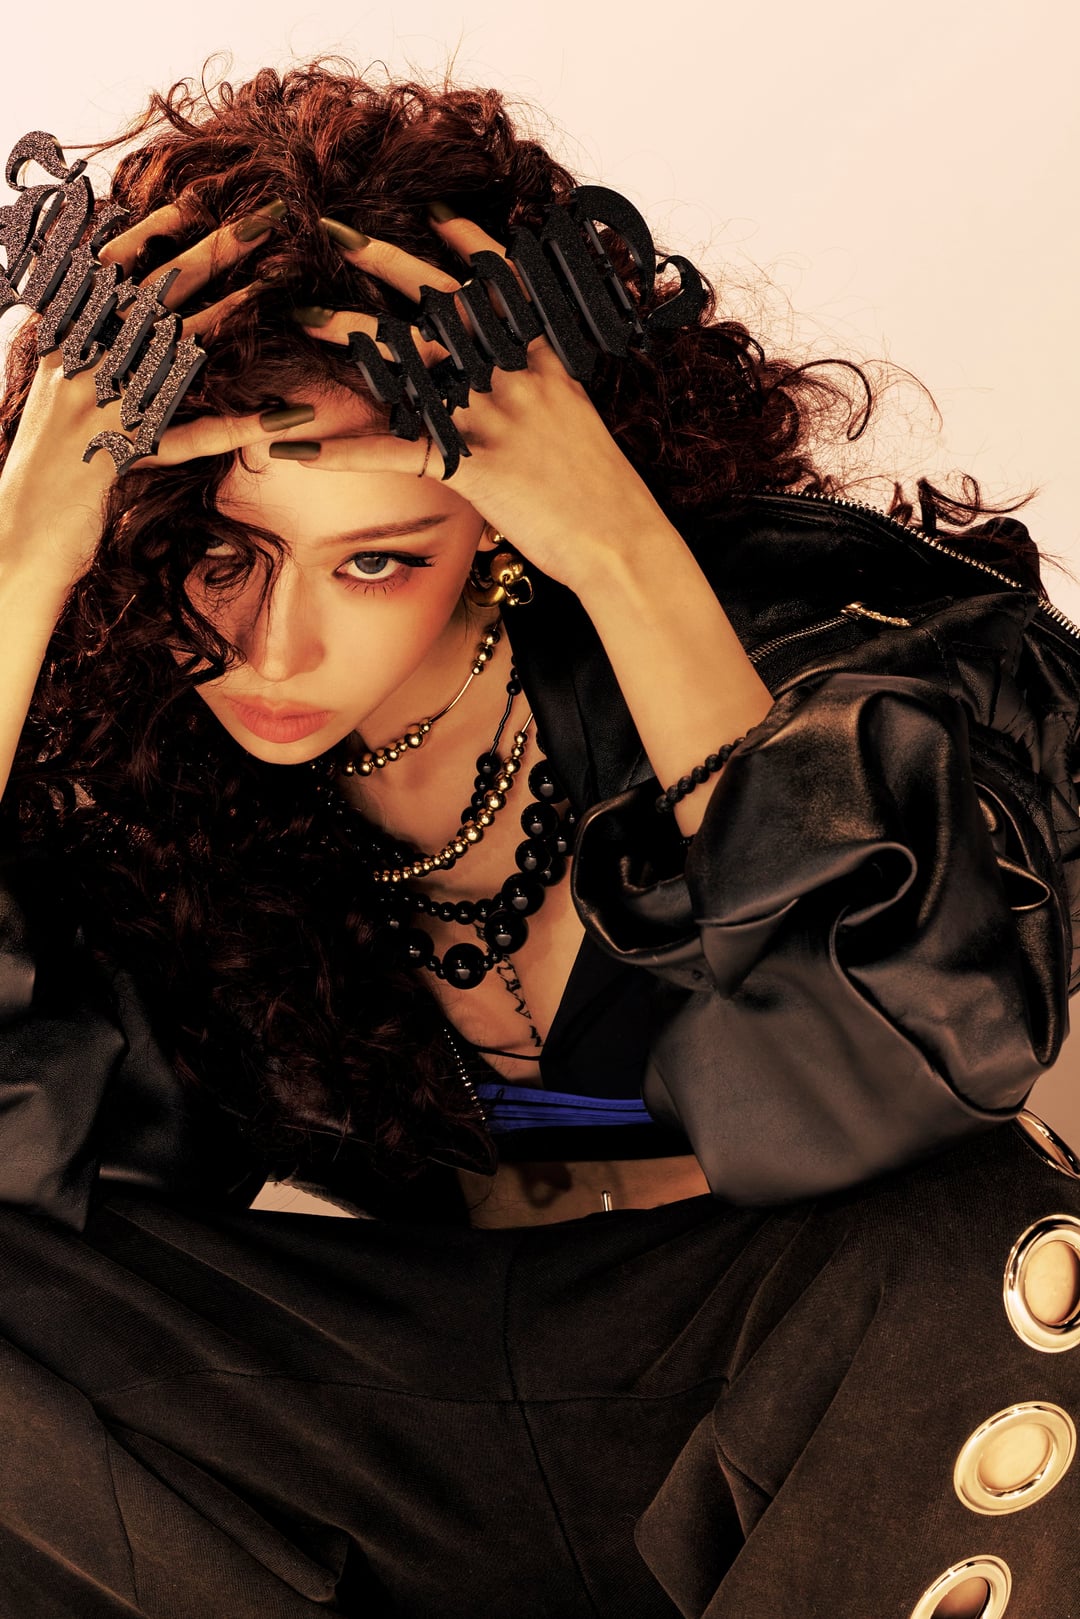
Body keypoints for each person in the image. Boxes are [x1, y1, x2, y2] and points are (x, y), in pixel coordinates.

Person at [0, 59, 1077, 1619]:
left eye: (376, 561)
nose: (277, 648)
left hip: (777, 1443)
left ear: (502, 529)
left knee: (998, 1243)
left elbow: (867, 1104)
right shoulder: (142, 768)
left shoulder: (792, 657)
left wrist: (623, 548)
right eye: (225, 555)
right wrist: (24, 556)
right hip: (388, 1441)